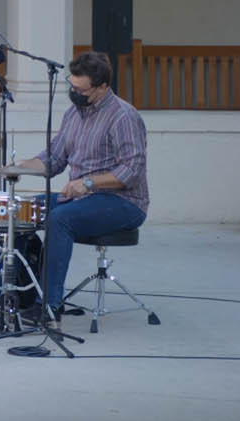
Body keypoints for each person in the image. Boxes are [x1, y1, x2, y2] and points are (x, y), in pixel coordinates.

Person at [19, 51, 148, 323]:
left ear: (102, 87)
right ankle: (13, 293)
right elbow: (54, 159)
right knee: (20, 210)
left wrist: (87, 183)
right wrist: (20, 167)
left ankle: (50, 304)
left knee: (59, 219)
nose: (74, 93)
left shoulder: (123, 116)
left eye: (81, 89)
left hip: (123, 202)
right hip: (82, 198)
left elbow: (131, 171)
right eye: (71, 86)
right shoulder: (72, 114)